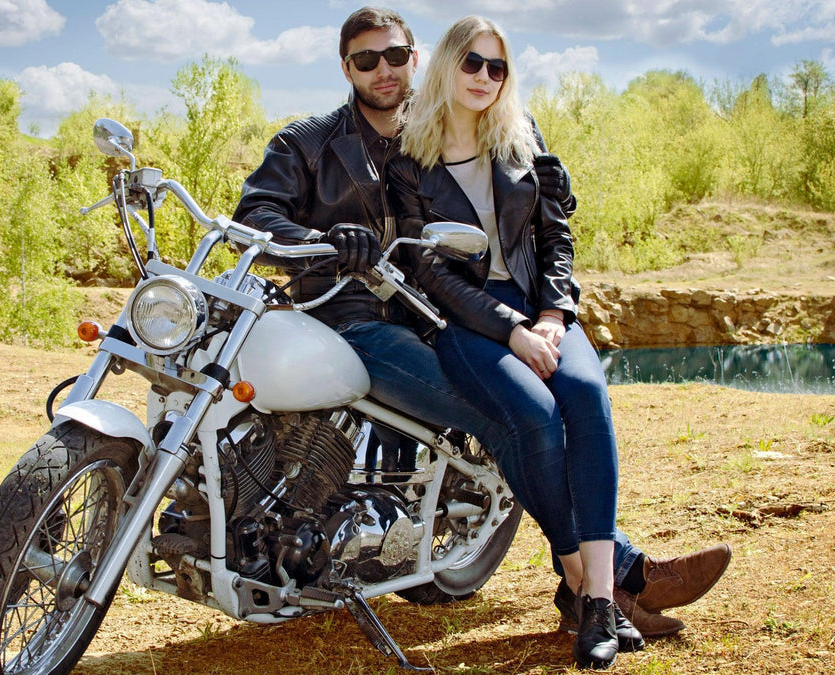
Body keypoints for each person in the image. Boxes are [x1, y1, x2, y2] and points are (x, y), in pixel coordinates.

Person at [233, 4, 730, 645]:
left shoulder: (442, 123)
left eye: (395, 56)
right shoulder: (309, 142)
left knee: (549, 407)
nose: (383, 70)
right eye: (366, 59)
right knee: (508, 416)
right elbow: (256, 215)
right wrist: (323, 242)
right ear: (346, 67)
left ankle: (598, 585)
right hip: (359, 319)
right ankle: (620, 572)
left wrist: (550, 196)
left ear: (416, 59)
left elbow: (523, 219)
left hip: (435, 313)